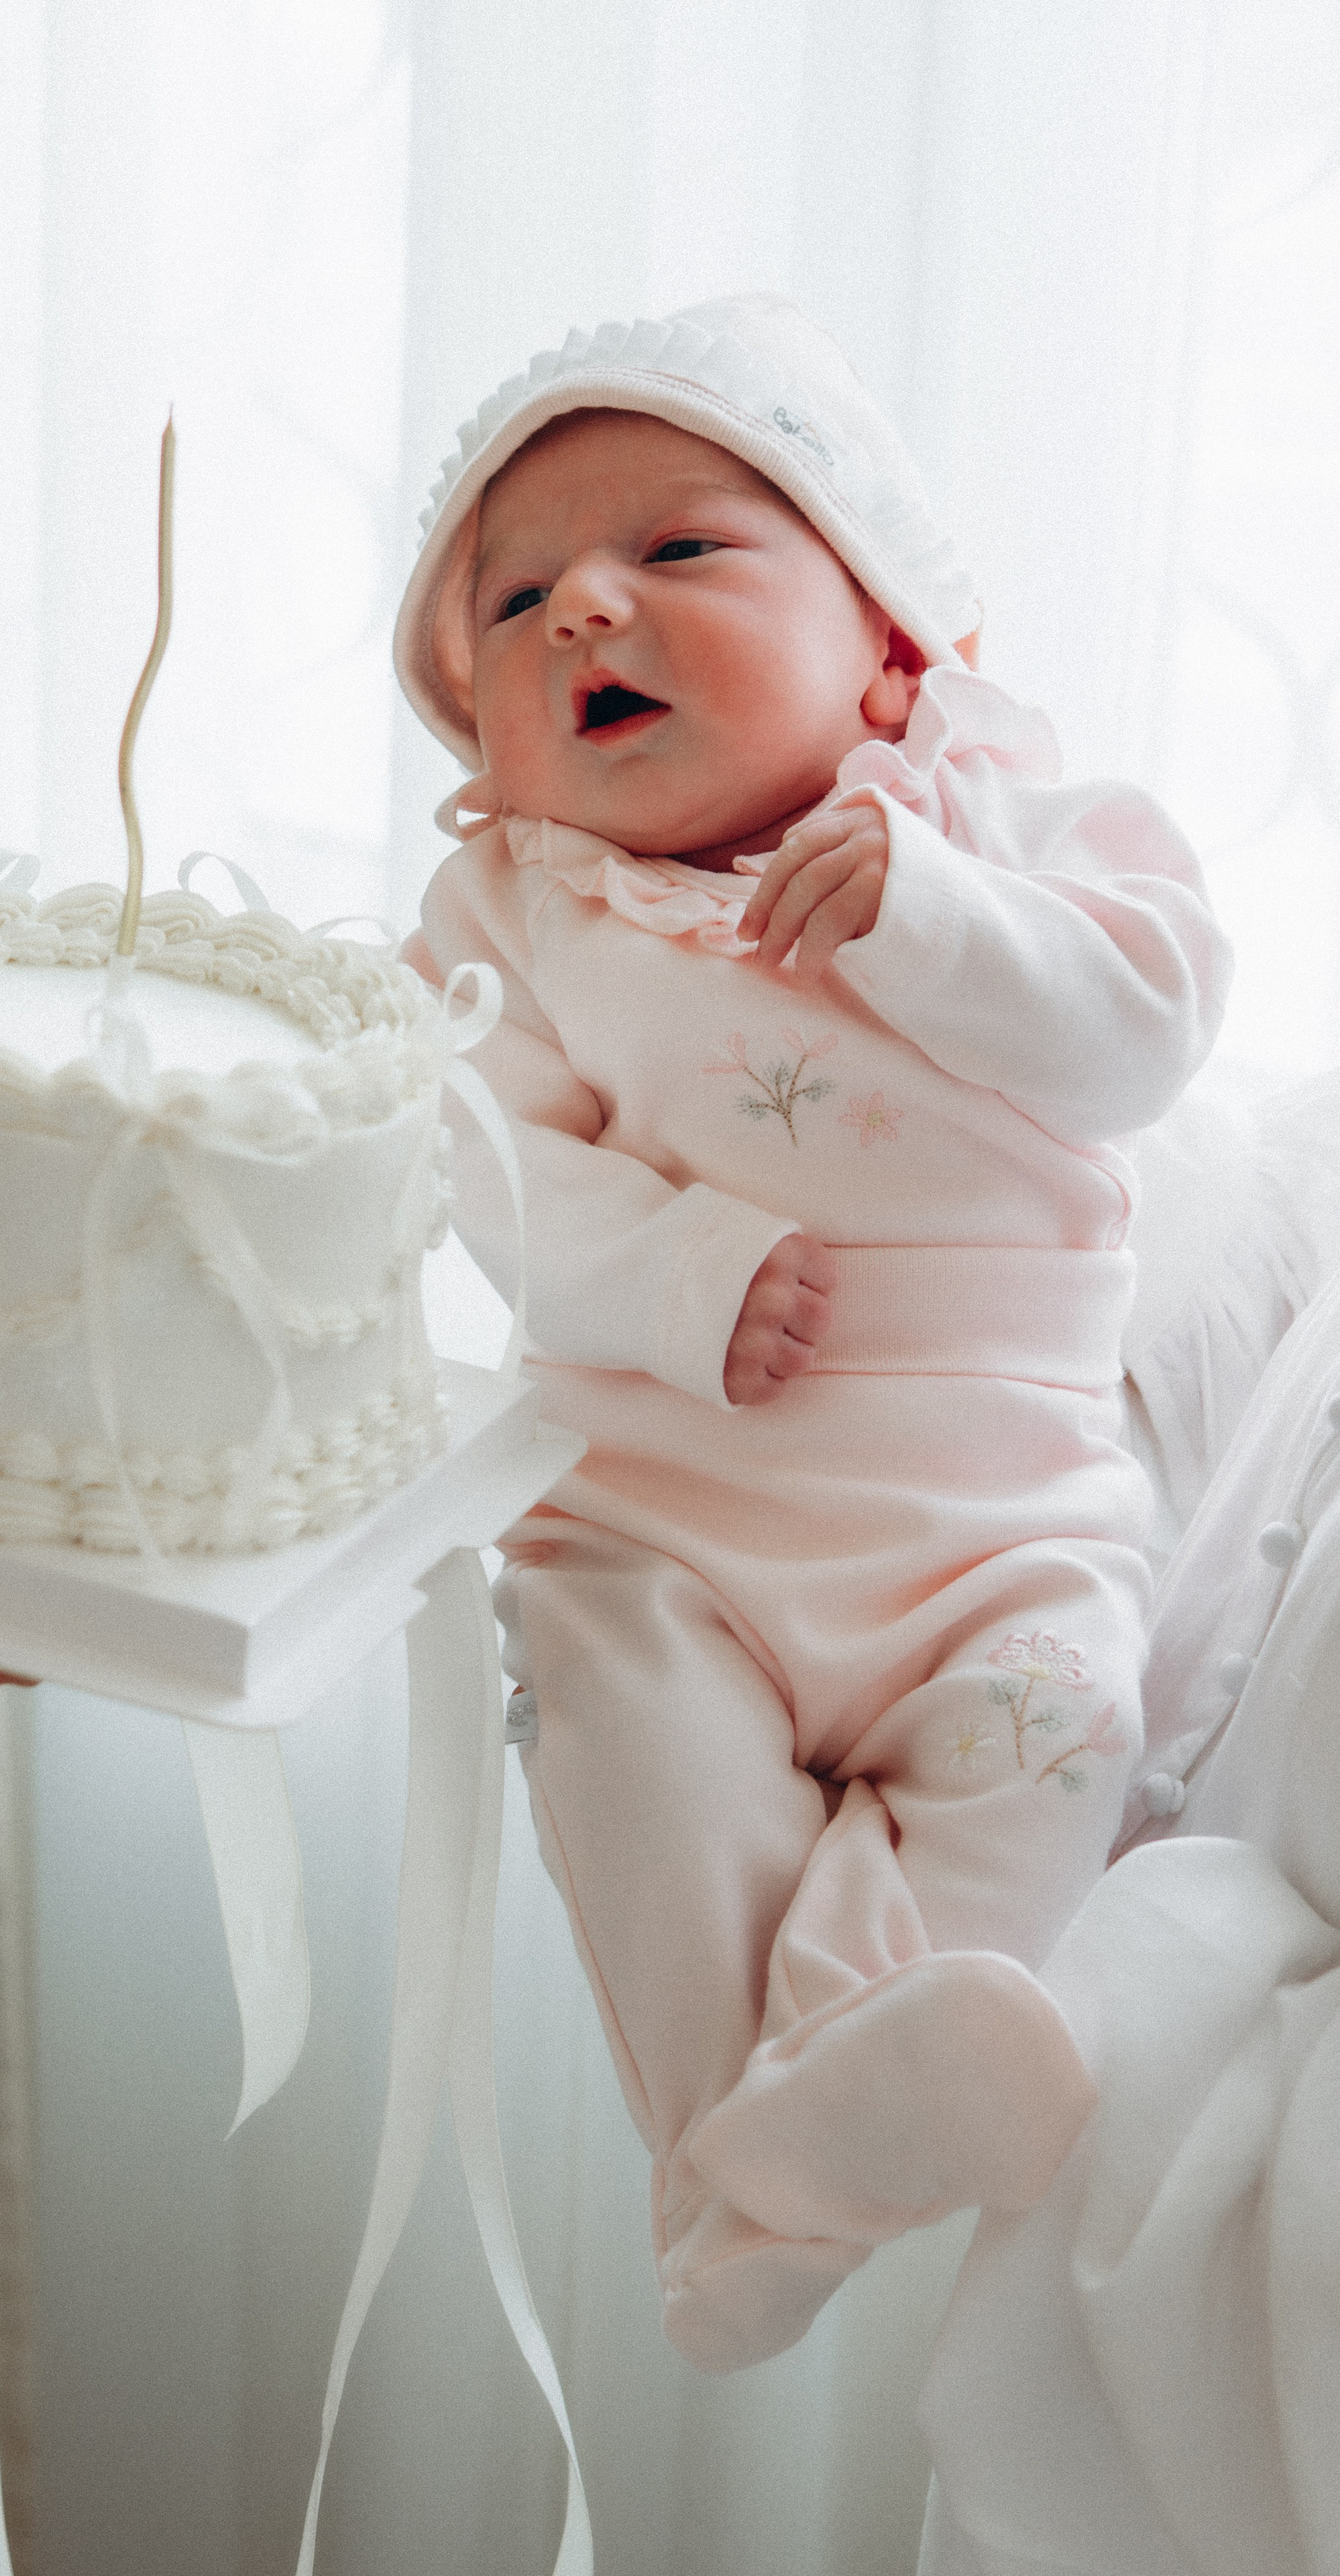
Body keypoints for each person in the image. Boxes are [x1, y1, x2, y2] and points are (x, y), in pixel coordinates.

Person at [395, 292, 1232, 2371]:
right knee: (618, 1736)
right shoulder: (523, 917)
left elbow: (1144, 1031)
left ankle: (764, 2173)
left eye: (678, 552)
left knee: (1065, 1730)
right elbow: (476, 1163)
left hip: (994, 1539)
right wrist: (678, 1274)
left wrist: (930, 911)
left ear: (889, 641)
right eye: (510, 605)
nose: (586, 606)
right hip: (673, 1539)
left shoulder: (1004, 821)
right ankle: (776, 2144)